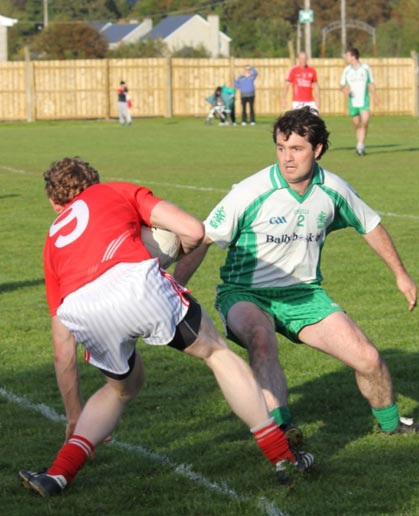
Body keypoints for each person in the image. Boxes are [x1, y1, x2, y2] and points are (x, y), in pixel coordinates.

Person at [18, 157, 314, 497]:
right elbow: (193, 230)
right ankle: (282, 456)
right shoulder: (114, 191)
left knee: (122, 388)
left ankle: (58, 473)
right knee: (217, 353)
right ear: (95, 182)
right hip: (135, 282)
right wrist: (168, 257)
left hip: (83, 309)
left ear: (56, 204)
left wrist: (73, 416)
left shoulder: (52, 239)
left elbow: (62, 350)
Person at [174, 107, 419, 453]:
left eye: (297, 149)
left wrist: (401, 274)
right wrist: (174, 290)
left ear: (318, 150)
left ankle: (391, 426)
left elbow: (370, 225)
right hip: (245, 293)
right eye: (281, 148)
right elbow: (203, 238)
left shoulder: (333, 189)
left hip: (303, 295)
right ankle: (283, 431)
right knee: (261, 340)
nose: (287, 158)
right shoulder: (251, 191)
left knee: (369, 358)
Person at [340, 48, 379, 156]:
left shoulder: (365, 68)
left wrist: (375, 96)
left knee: (365, 121)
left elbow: (371, 83)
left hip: (364, 100)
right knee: (357, 124)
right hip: (353, 101)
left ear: (353, 56)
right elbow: (341, 85)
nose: (346, 58)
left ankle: (360, 145)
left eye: (347, 56)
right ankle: (359, 143)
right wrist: (345, 90)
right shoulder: (347, 70)